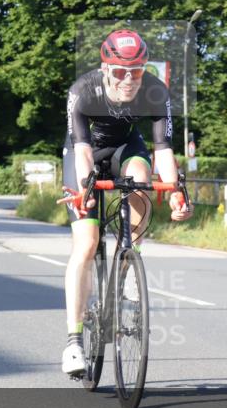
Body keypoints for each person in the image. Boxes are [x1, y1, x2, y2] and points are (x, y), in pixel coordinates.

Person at [56, 29, 192, 376]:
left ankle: (129, 258)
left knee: (142, 179)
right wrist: (86, 189)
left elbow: (163, 150)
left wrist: (175, 191)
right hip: (84, 152)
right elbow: (82, 150)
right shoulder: (83, 90)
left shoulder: (155, 91)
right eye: (120, 72)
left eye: (136, 71)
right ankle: (73, 343)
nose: (128, 80)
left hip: (125, 149)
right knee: (86, 244)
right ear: (105, 69)